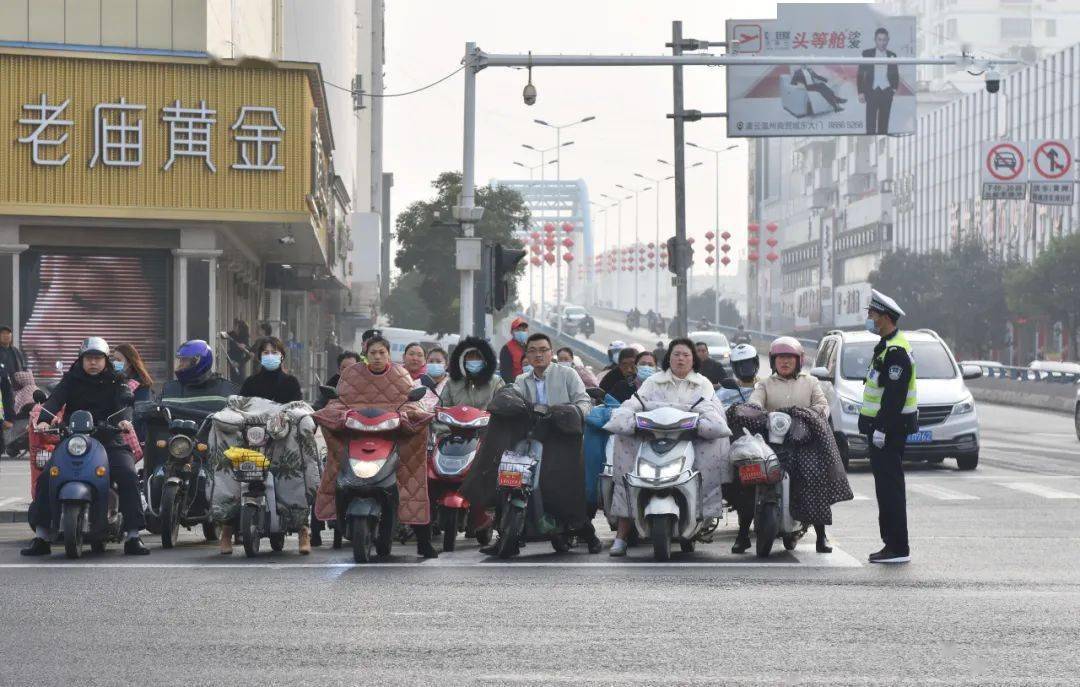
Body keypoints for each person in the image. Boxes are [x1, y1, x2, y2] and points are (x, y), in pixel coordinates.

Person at [22, 337, 149, 556]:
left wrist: (123, 421)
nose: (93, 363)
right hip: (74, 439)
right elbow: (54, 400)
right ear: (81, 360)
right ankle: (42, 535)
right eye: (89, 358)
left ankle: (133, 535)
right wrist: (44, 419)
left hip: (110, 439)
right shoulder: (71, 379)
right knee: (47, 477)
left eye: (98, 358)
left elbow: (124, 402)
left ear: (105, 360)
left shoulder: (117, 380)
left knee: (127, 474)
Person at [314, 336, 439, 557]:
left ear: (389, 354)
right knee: (334, 466)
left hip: (394, 439)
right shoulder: (351, 375)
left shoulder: (401, 376)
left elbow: (413, 404)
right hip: (356, 437)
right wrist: (339, 415)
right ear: (366, 354)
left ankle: (423, 541)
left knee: (412, 479)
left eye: (382, 352)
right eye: (373, 353)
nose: (378, 357)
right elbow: (338, 402)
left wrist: (407, 416)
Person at [605, 338, 731, 556]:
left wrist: (702, 424)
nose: (680, 358)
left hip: (690, 441)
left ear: (693, 360)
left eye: (686, 355)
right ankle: (622, 535)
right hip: (652, 438)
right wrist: (625, 417)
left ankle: (702, 512)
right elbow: (635, 403)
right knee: (624, 455)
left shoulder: (703, 384)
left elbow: (711, 411)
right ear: (668, 358)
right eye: (676, 354)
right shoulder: (653, 381)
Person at [511, 333, 598, 553]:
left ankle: (586, 532)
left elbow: (584, 402)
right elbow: (512, 401)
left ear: (551, 353)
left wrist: (570, 413)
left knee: (563, 488)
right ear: (527, 355)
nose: (538, 355)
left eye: (543, 350)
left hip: (563, 438)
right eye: (532, 351)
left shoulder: (567, 374)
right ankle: (506, 531)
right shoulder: (521, 381)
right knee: (511, 477)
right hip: (531, 438)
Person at [746, 337, 834, 554]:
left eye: (789, 358)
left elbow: (822, 404)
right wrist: (756, 409)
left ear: (799, 360)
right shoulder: (765, 384)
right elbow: (754, 401)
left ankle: (821, 536)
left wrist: (815, 413)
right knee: (747, 475)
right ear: (774, 361)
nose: (784, 362)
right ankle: (741, 533)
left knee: (814, 478)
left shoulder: (810, 382)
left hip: (803, 443)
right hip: (770, 443)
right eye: (780, 358)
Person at [860, 290, 916, 564]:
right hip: (883, 429)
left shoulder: (896, 351)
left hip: (890, 431)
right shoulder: (885, 346)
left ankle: (897, 547)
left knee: (890, 489)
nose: (869, 318)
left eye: (872, 314)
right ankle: (890, 544)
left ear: (884, 317)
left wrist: (882, 428)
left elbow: (895, 395)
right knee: (885, 488)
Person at [857, 28, 899, 135]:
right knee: (870, 122)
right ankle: (870, 142)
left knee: (884, 122)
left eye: (884, 40)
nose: (882, 42)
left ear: (888, 40)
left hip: (886, 91)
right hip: (871, 91)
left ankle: (882, 142)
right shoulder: (867, 53)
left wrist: (893, 89)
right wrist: (860, 92)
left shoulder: (892, 55)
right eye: (879, 39)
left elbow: (895, 73)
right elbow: (860, 73)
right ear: (875, 40)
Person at [240, 337, 303, 404]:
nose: (270, 356)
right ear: (260, 357)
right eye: (266, 353)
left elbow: (297, 410)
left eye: (274, 352)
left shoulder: (291, 383)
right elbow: (240, 408)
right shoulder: (250, 383)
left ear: (282, 356)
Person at [499, 317, 529, 383]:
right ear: (512, 332)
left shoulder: (530, 348)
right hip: (515, 387)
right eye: (518, 330)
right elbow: (506, 374)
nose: (521, 332)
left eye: (524, 330)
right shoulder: (506, 349)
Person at [226, 318, 252, 384]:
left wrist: (239, 363)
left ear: (240, 329)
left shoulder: (244, 337)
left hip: (240, 362)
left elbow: (249, 353)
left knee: (240, 381)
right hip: (232, 360)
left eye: (236, 326)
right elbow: (224, 335)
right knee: (233, 381)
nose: (234, 328)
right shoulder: (232, 334)